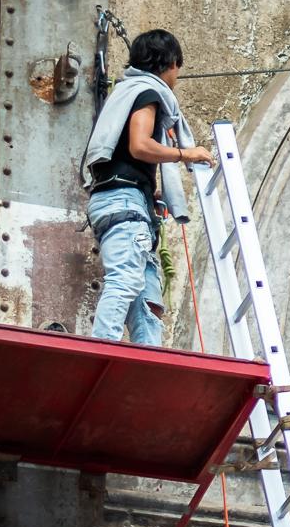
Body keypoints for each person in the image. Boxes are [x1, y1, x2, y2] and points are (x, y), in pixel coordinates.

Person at [79, 29, 214, 345]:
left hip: (120, 200)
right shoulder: (147, 93)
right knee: (125, 279)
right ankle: (103, 348)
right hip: (124, 203)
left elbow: (126, 155)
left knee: (147, 300)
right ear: (170, 63)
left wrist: (146, 188)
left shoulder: (127, 92)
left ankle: (148, 359)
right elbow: (140, 145)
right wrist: (185, 153)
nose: (177, 75)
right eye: (177, 67)